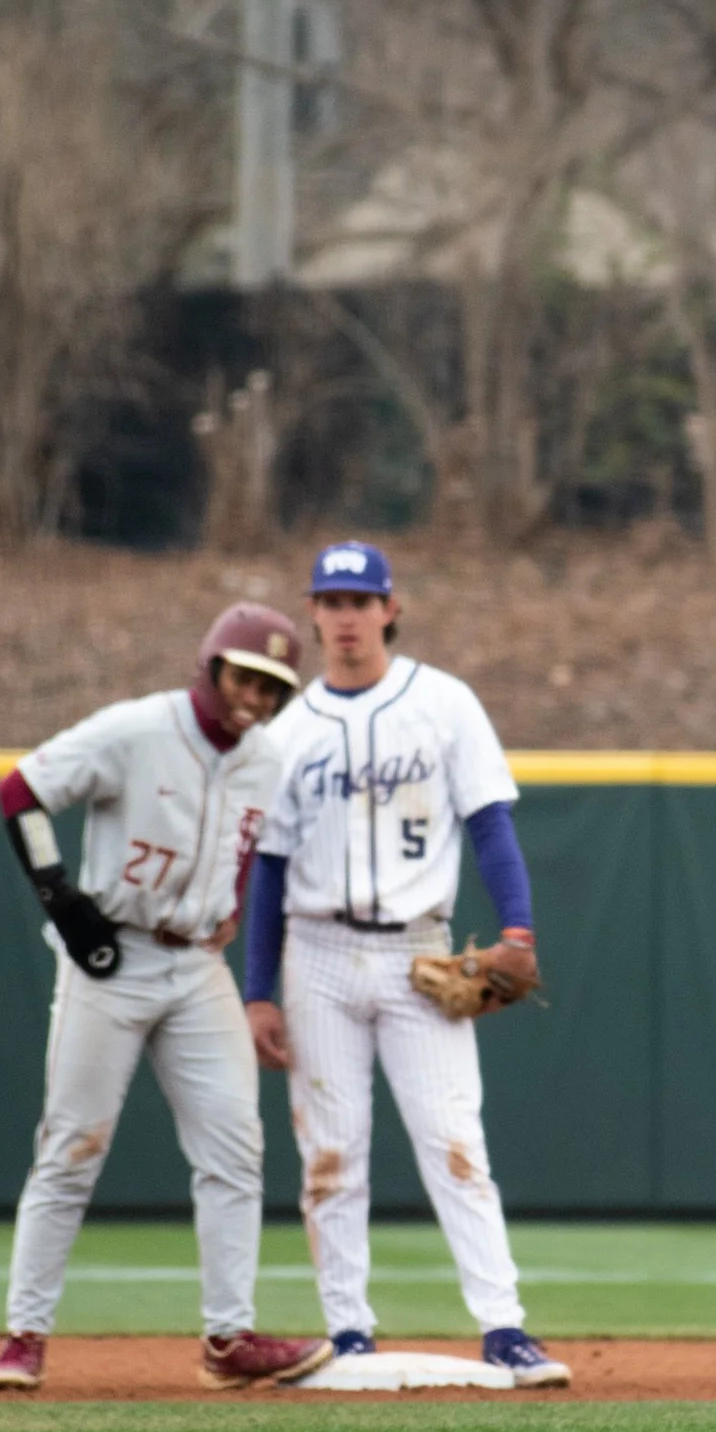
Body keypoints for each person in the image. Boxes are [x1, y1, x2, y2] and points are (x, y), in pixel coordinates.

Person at [242, 541, 570, 1388]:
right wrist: (256, 992)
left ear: (390, 607)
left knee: (455, 1139)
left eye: (361, 600)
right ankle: (347, 1329)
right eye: (331, 600)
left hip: (419, 945)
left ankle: (505, 1327)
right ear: (313, 613)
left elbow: (491, 824)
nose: (346, 616)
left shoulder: (446, 704)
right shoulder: (288, 731)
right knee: (330, 1152)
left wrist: (520, 931)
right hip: (315, 953)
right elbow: (270, 866)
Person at [0, 605, 331, 1392]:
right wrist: (58, 895)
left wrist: (237, 939)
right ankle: (23, 1336)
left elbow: (245, 860)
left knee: (236, 1147)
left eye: (274, 686)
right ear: (211, 669)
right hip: (112, 956)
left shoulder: (265, 761)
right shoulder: (137, 729)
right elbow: (20, 788)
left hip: (197, 962)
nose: (256, 697)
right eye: (246, 676)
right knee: (72, 1148)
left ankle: (229, 1338)